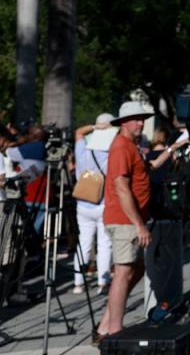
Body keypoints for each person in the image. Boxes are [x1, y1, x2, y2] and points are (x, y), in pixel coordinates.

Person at [96, 101, 189, 341]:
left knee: (135, 268)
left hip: (132, 219)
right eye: (137, 119)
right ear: (124, 122)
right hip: (124, 219)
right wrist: (139, 224)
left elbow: (149, 167)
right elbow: (121, 188)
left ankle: (106, 324)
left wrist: (172, 148)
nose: (141, 123)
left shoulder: (132, 146)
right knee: (123, 271)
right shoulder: (120, 147)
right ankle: (114, 330)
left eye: (143, 118)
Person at [72, 113, 116, 295]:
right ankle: (102, 282)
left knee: (83, 242)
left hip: (83, 202)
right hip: (103, 202)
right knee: (104, 243)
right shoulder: (110, 151)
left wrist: (95, 127)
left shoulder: (83, 148)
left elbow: (78, 133)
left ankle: (78, 283)